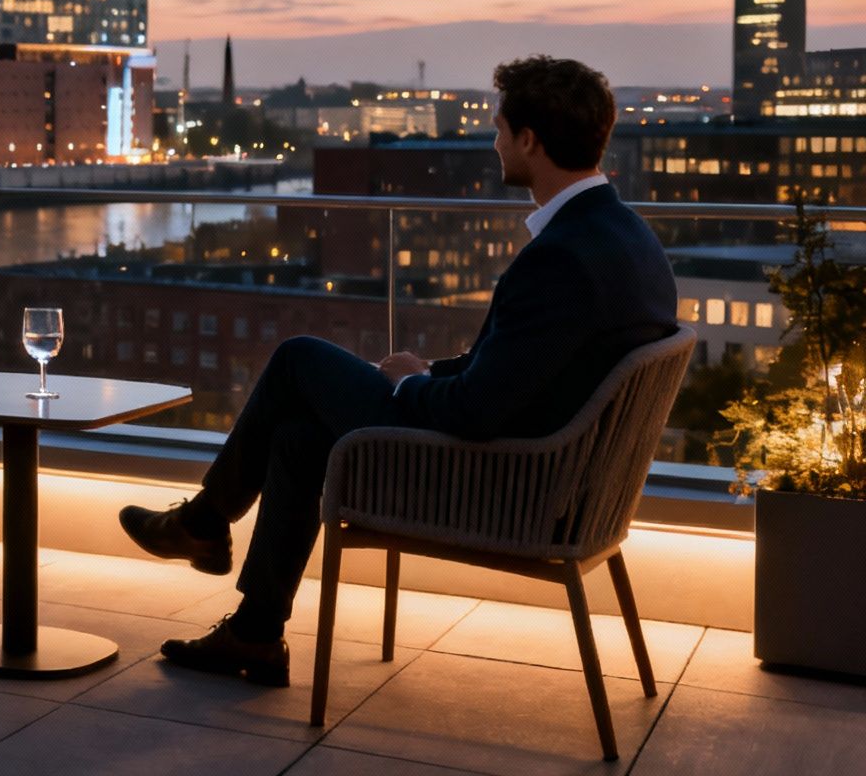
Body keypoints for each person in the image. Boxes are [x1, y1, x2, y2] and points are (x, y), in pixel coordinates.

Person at [119, 56, 677, 687]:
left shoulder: (560, 258)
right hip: (556, 477)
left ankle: (202, 522)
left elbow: (475, 412)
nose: (494, 140)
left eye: (499, 128)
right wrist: (430, 370)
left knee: (298, 357)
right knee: (298, 438)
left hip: (501, 483)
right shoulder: (628, 237)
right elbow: (528, 368)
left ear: (529, 140)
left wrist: (411, 383)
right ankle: (254, 632)